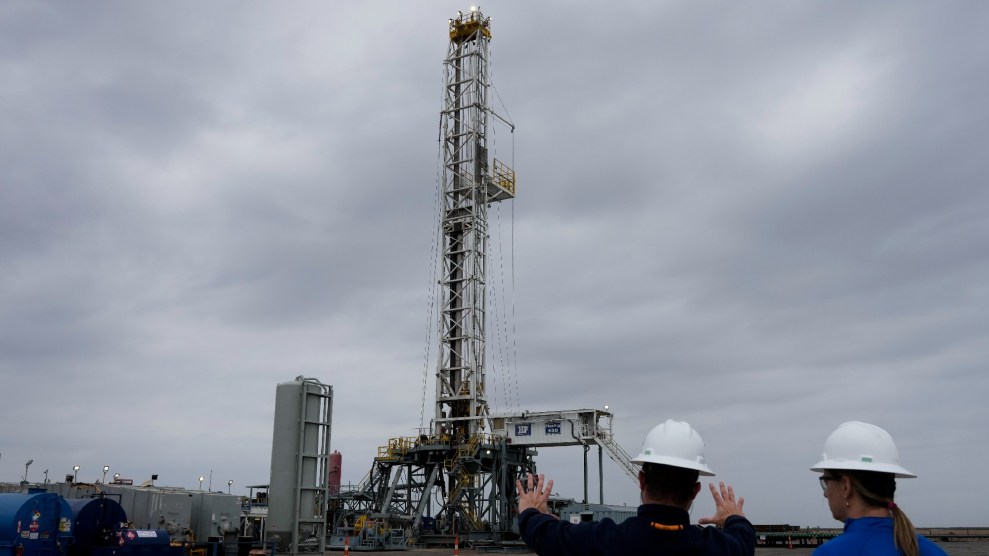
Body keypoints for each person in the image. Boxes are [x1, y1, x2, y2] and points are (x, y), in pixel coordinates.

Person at [516, 419, 755, 556]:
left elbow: (544, 535)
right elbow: (744, 538)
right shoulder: (720, 549)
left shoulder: (602, 541)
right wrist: (733, 517)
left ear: (641, 480)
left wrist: (531, 511)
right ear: (695, 491)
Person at [811, 421, 947, 556]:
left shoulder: (832, 552)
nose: (825, 493)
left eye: (826, 481)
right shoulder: (932, 550)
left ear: (846, 486)